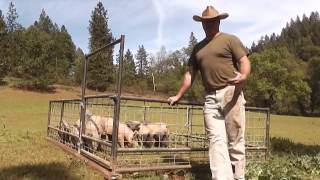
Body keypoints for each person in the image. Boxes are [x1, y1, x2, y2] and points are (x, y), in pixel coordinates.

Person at [168, 5, 251, 180]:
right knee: (216, 141)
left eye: (212, 21)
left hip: (231, 93)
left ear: (218, 21)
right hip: (210, 99)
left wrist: (243, 76)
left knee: (235, 139)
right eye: (205, 22)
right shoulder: (198, 48)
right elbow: (190, 74)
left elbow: (244, 61)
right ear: (202, 24)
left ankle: (239, 177)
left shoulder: (230, 40)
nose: (208, 24)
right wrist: (178, 95)